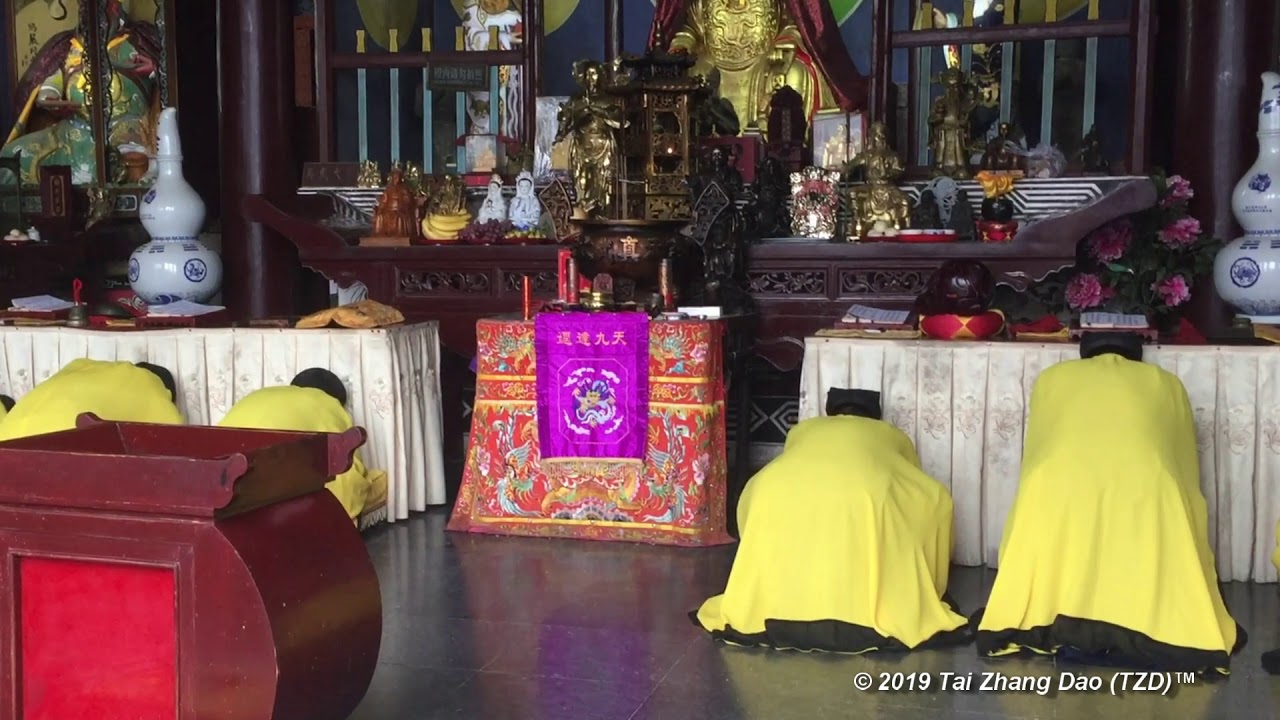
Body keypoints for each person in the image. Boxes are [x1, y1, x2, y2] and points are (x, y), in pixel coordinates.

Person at [975, 333, 1244, 675]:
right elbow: (1183, 462)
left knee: (1046, 495)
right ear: (1137, 356)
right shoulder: (1167, 382)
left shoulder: (1052, 379)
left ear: (1085, 354)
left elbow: (1039, 448)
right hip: (1149, 482)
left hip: (1056, 480)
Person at [693, 388, 970, 652]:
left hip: (773, 489)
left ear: (830, 412)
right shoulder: (891, 433)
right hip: (864, 494)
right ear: (874, 416)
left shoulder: (805, 428)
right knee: (935, 499)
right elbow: (911, 475)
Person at [216, 368, 372, 523]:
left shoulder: (259, 395)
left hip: (218, 475)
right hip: (260, 485)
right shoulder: (326, 403)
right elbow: (346, 471)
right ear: (334, 398)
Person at [0, 358, 181, 441]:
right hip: (58, 463)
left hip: (8, 449)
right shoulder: (150, 387)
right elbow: (172, 440)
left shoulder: (78, 369)